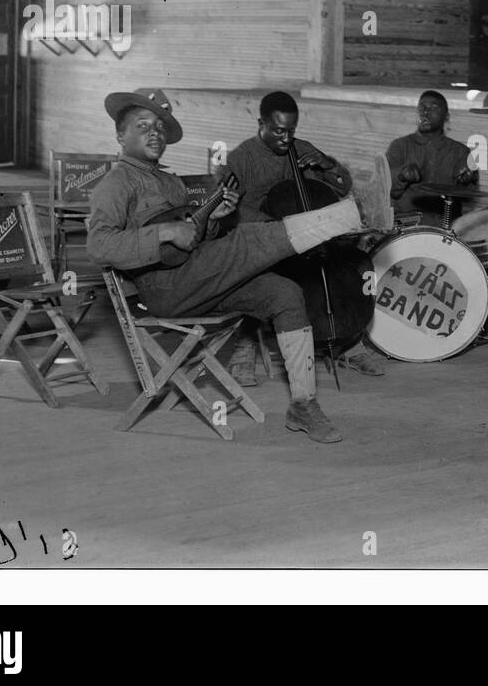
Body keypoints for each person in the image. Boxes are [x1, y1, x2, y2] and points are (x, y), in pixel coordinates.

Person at [87, 88, 391, 444]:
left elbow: (193, 239)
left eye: (160, 127)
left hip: (195, 281)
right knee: (247, 239)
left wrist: (213, 219)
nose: (155, 132)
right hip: (164, 289)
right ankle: (358, 212)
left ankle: (303, 405)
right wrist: (163, 231)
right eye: (143, 126)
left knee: (284, 293)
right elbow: (98, 245)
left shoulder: (169, 181)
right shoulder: (115, 184)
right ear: (121, 135)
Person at [219, 91, 385, 378]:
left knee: (343, 262)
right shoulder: (240, 159)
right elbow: (228, 211)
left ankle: (349, 343)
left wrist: (327, 162)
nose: (286, 140)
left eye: (291, 131)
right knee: (258, 275)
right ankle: (245, 345)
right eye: (278, 131)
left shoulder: (300, 148)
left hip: (309, 237)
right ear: (261, 123)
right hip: (263, 238)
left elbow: (343, 186)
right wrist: (276, 223)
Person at [386, 90, 478, 224]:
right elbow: (388, 190)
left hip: (445, 227)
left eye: (433, 108)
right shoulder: (400, 146)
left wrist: (466, 181)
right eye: (421, 107)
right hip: (406, 227)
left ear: (446, 117)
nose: (425, 112)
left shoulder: (460, 152)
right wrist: (401, 176)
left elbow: (469, 196)